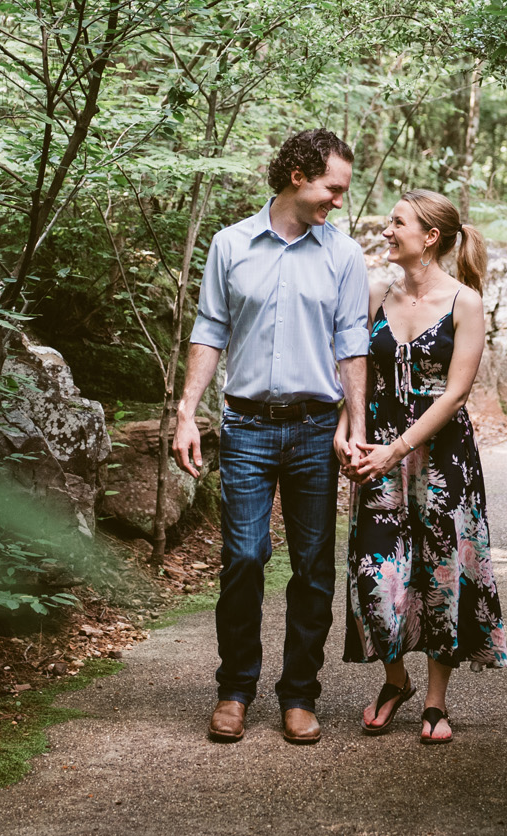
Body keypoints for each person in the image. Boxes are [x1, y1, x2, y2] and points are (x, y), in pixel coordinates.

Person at [172, 129, 369, 746]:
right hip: (247, 424)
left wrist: (356, 423)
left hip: (316, 428)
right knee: (244, 559)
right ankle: (234, 690)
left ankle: (299, 696)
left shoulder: (344, 254)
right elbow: (209, 329)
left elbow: (352, 342)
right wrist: (186, 412)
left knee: (313, 566)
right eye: (332, 189)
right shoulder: (231, 245)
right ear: (298, 176)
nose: (337, 201)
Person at [342, 189, 507, 744]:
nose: (387, 231)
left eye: (397, 223)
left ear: (429, 237)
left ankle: (435, 701)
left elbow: (455, 394)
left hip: (442, 460)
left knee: (441, 572)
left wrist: (398, 448)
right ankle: (396, 682)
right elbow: (353, 371)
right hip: (378, 456)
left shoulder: (466, 302)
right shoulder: (374, 292)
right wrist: (350, 432)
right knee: (373, 573)